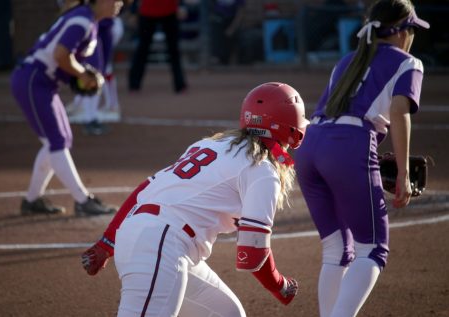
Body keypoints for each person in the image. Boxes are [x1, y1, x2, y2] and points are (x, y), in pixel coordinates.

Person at [81, 82, 310, 316]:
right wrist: (279, 285)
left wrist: (107, 243)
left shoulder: (211, 144)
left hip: (148, 237)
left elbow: (145, 189)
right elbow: (251, 254)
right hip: (162, 244)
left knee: (227, 313)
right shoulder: (262, 169)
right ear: (291, 127)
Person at [293, 1, 430, 316]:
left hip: (310, 145)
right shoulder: (409, 63)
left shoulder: (346, 61)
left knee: (336, 249)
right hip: (348, 145)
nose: (412, 36)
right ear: (398, 31)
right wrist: (404, 172)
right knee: (372, 248)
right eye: (411, 29)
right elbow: (398, 113)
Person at [10, 0, 125, 216]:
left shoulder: (87, 19)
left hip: (42, 82)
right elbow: (60, 55)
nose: (120, 3)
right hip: (34, 80)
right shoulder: (82, 20)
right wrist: (82, 74)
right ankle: (83, 200)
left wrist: (79, 74)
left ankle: (32, 200)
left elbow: (62, 57)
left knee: (61, 139)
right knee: (56, 141)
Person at [127, 0, 188, 93]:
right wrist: (133, 11)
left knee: (174, 50)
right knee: (142, 49)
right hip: (148, 11)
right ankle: (134, 83)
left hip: (169, 10)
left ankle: (180, 84)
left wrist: (182, 6)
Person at [208, 0, 246, 65]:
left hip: (232, 20)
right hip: (218, 18)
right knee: (216, 24)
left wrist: (232, 28)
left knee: (230, 38)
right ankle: (215, 57)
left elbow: (240, 13)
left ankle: (227, 61)